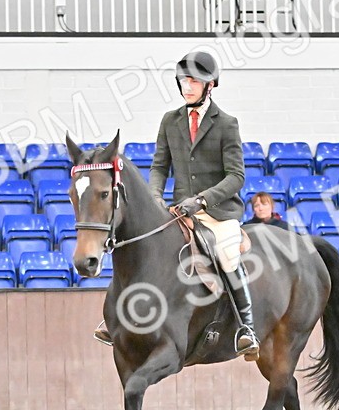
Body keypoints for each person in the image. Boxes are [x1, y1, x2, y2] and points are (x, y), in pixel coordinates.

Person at [95, 50, 259, 359]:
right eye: (184, 80)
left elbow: (236, 176)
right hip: (179, 211)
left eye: (194, 81)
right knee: (145, 252)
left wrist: (201, 200)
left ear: (210, 85)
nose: (188, 86)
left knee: (226, 254)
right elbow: (159, 167)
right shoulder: (170, 121)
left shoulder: (226, 124)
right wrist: (156, 195)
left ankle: (245, 327)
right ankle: (113, 318)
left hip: (217, 213)